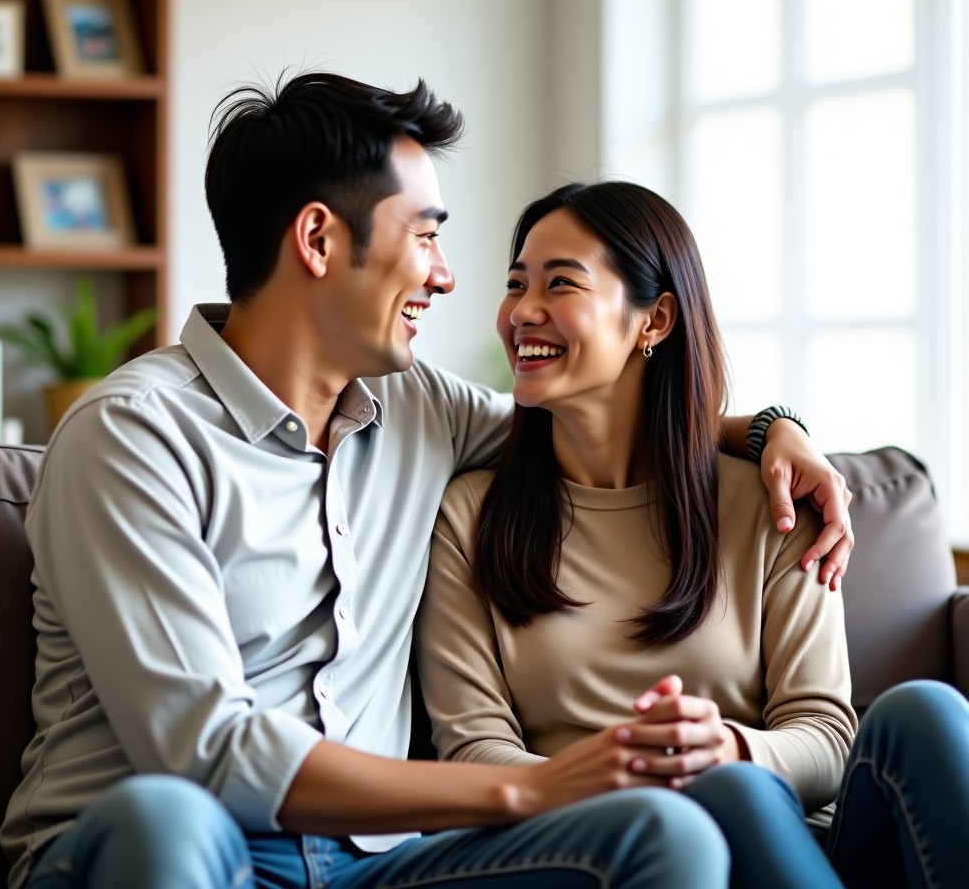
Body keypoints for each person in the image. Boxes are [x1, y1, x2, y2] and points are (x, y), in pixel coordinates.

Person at [1, 73, 853, 889]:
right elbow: (209, 754)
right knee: (169, 820)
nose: (446, 275)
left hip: (369, 867)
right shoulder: (133, 437)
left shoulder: (421, 411)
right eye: (425, 236)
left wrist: (774, 431)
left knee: (660, 833)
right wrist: (529, 786)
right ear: (319, 240)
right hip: (173, 850)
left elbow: (602, 413)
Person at [415, 179, 969, 889]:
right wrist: (635, 774)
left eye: (561, 283)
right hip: (625, 850)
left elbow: (827, 734)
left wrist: (730, 749)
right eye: (516, 283)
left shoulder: (773, 500)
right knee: (726, 793)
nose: (523, 311)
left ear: (655, 320)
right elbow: (472, 750)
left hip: (807, 840)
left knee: (924, 711)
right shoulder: (471, 515)